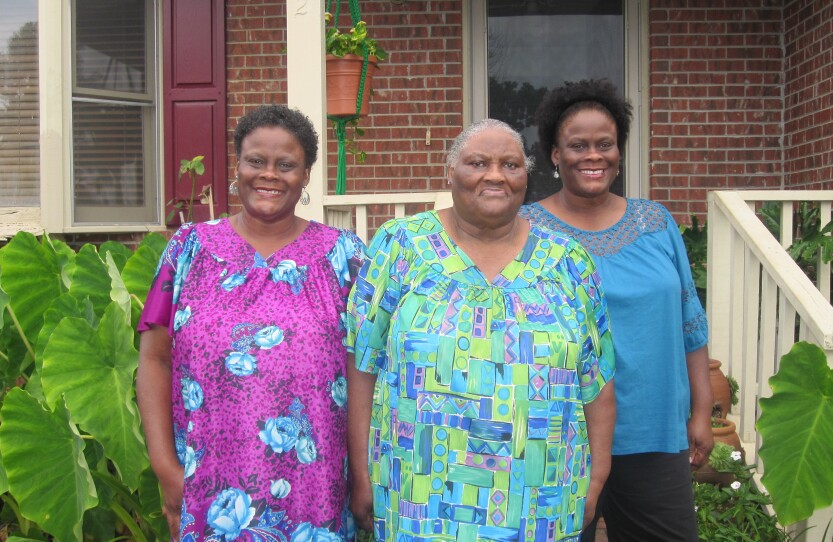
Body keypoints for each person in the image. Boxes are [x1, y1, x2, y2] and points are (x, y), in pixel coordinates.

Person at [346, 119, 616, 541]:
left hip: (539, 496)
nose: (495, 175)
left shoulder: (569, 261)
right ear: (450, 172)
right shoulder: (400, 246)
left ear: (526, 176)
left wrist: (597, 476)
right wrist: (361, 473)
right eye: (478, 162)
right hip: (420, 494)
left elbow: (597, 379)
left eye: (510, 164)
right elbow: (362, 364)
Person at [137, 104, 364, 542]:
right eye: (256, 160)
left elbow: (364, 373)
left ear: (307, 174)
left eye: (287, 165)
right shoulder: (188, 250)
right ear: (237, 165)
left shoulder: (346, 258)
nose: (269, 175)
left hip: (315, 497)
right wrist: (167, 469)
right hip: (210, 496)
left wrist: (362, 477)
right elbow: (154, 360)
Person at [520, 79, 713, 542]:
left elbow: (690, 323)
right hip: (558, 434)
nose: (593, 155)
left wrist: (702, 409)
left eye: (605, 144)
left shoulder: (657, 223)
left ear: (620, 151)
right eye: (578, 145)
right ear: (554, 154)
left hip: (652, 429)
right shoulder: (526, 230)